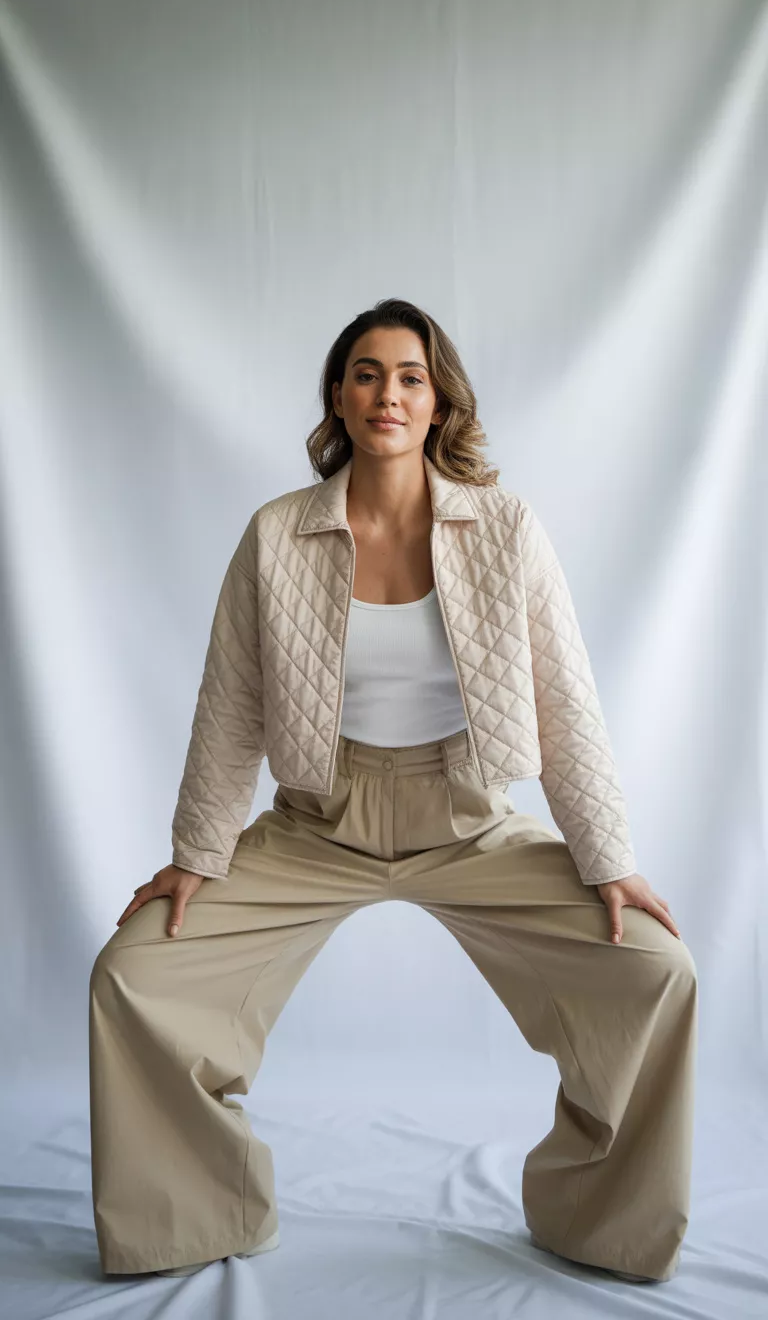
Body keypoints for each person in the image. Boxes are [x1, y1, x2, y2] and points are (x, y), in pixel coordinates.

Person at [89, 297, 697, 1283]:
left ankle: (601, 1222)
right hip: (316, 823)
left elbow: (565, 702)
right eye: (367, 373)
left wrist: (610, 863)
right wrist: (195, 857)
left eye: (410, 376)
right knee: (135, 976)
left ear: (440, 401)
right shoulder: (278, 534)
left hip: (464, 819)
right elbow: (230, 705)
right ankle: (198, 1217)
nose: (388, 393)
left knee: (657, 973)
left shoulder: (505, 531)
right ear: (339, 394)